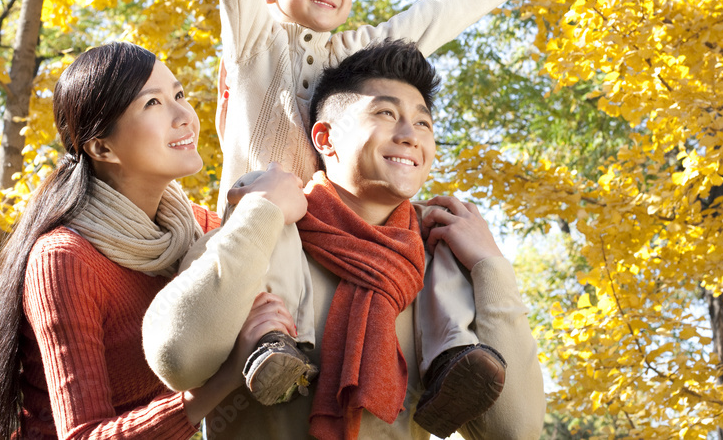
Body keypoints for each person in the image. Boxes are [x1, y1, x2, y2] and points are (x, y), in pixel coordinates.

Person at [154, 0, 552, 433]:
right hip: (265, 216)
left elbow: (434, 15)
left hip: (345, 216)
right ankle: (277, 346)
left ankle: (455, 354)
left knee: (432, 231)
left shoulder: (358, 54)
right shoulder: (256, 38)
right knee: (281, 223)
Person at [143, 40, 545, 439]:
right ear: (325, 138)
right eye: (386, 113)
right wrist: (262, 212)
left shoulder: (440, 263)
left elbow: (514, 432)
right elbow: (179, 359)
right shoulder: (259, 234)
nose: (410, 135)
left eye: (423, 122)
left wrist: (491, 266)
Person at [0, 42, 302, 440]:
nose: (184, 116)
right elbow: (83, 434)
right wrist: (224, 379)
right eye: (152, 103)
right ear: (102, 146)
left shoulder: (197, 226)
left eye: (179, 95)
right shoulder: (65, 259)